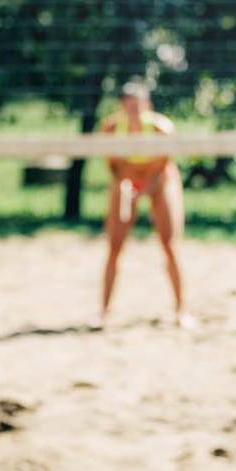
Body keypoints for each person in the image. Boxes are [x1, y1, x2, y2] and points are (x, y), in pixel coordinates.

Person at [98, 81, 195, 330]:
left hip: (160, 181)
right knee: (114, 245)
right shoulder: (110, 129)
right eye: (128, 106)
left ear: (147, 106)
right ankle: (105, 312)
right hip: (126, 181)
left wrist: (145, 191)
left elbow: (162, 168)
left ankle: (181, 309)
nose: (132, 111)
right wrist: (127, 191)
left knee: (170, 245)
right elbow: (114, 168)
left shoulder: (161, 129)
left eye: (137, 106)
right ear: (121, 107)